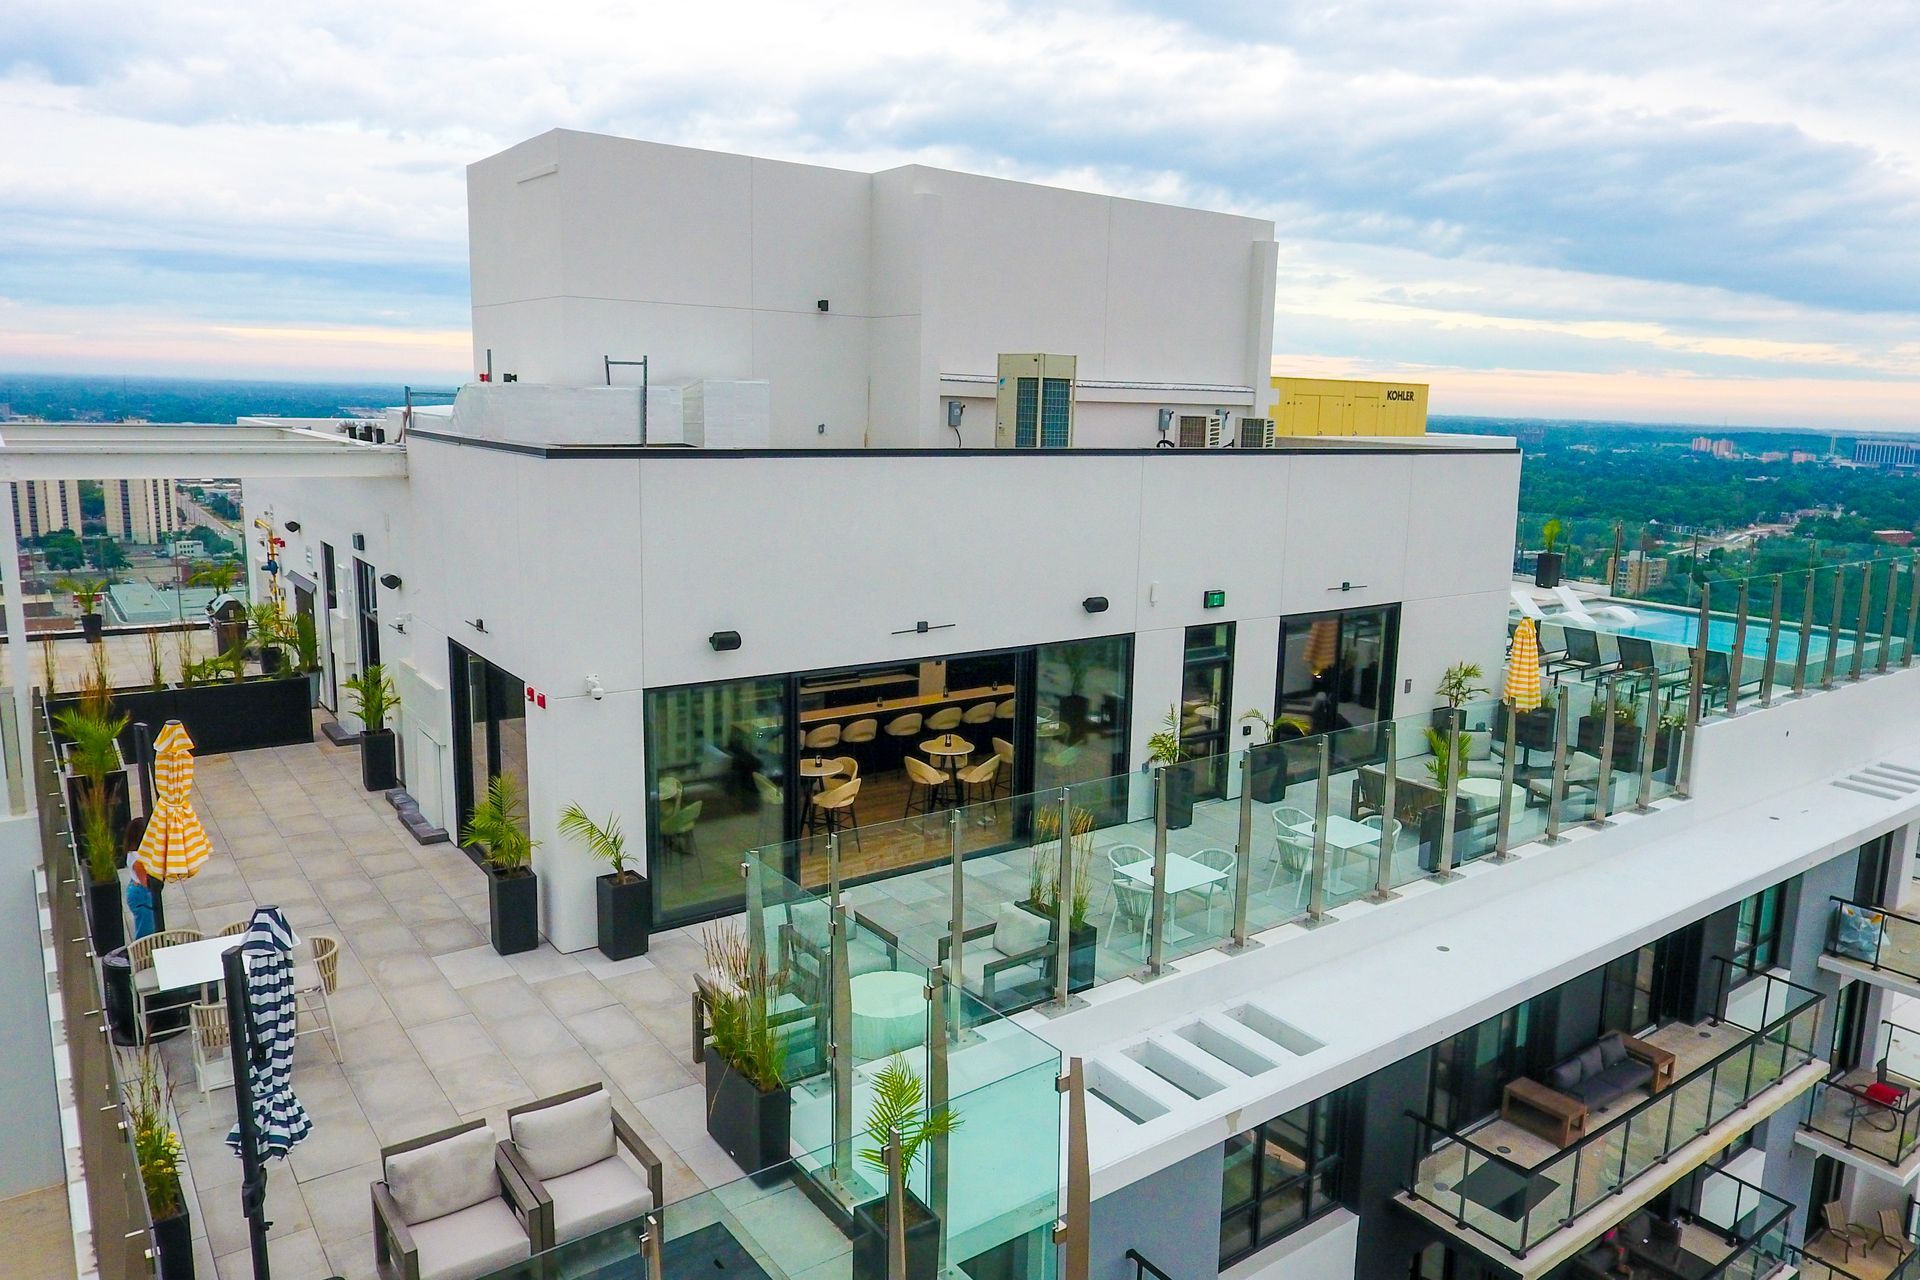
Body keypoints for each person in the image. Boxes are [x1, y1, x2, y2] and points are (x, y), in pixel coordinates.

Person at [125, 861, 156, 940]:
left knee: (148, 927)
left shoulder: (134, 855)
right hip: (141, 894)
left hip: (139, 891)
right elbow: (145, 882)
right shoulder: (137, 859)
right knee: (146, 932)